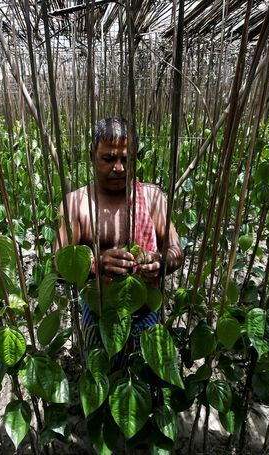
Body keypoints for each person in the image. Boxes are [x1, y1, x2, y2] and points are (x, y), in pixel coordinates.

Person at [55, 117, 183, 361]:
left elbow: (176, 249)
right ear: (92, 155)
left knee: (142, 385)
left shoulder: (152, 198)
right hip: (99, 317)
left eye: (126, 159)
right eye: (109, 159)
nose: (119, 168)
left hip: (146, 315)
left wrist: (160, 261)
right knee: (100, 377)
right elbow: (58, 264)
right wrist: (96, 264)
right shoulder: (76, 204)